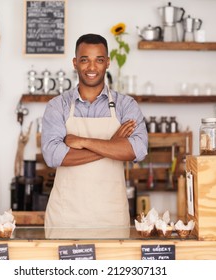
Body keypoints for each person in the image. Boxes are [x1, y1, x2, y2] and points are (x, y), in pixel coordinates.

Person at [41, 33, 148, 236]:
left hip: (111, 219)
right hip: (66, 219)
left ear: (107, 62)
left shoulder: (126, 105)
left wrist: (82, 142)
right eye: (84, 60)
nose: (92, 68)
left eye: (99, 60)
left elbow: (138, 149)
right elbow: (54, 156)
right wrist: (112, 144)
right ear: (75, 63)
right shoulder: (58, 106)